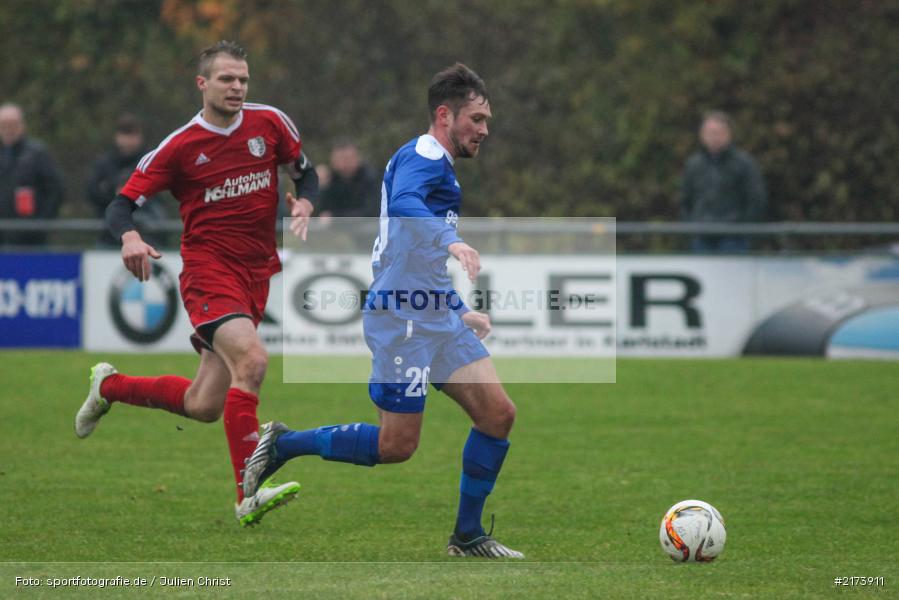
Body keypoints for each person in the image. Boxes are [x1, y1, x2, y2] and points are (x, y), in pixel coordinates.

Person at [242, 63, 524, 558]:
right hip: (402, 320)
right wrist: (452, 241)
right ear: (445, 115)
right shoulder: (422, 156)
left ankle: (468, 536)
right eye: (477, 119)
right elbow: (408, 203)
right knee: (397, 446)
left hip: (432, 312)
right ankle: (284, 444)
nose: (485, 129)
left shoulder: (438, 164)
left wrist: (458, 308)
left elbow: (409, 253)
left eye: (487, 120)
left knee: (498, 414)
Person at [73, 41, 318, 527]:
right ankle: (247, 493)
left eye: (243, 79)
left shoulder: (269, 122)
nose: (237, 88)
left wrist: (305, 202)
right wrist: (129, 237)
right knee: (253, 360)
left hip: (255, 273)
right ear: (202, 84)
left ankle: (110, 386)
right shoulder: (180, 146)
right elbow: (121, 205)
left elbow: (305, 174)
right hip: (209, 271)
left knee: (203, 404)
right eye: (227, 79)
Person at [680, 110, 767, 253]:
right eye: (709, 132)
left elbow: (756, 200)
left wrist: (741, 228)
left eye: (717, 132)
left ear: (728, 134)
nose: (713, 137)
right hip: (702, 239)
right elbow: (685, 201)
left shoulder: (744, 164)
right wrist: (692, 227)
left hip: (734, 240)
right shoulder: (693, 165)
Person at [86, 113, 168, 248]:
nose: (130, 140)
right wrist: (113, 193)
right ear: (118, 136)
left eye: (134, 135)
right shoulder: (104, 163)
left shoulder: (150, 161)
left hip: (146, 235)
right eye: (126, 134)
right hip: (110, 234)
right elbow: (91, 191)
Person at [0, 102, 64, 246]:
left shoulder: (37, 153)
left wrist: (41, 224)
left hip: (31, 239)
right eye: (4, 124)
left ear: (22, 126)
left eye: (13, 124)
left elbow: (55, 189)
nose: (8, 129)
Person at [316, 139, 380, 217]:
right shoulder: (331, 179)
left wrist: (335, 216)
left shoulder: (370, 177)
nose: (344, 164)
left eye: (348, 159)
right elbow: (319, 212)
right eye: (339, 159)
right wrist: (319, 187)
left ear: (358, 158)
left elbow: (371, 212)